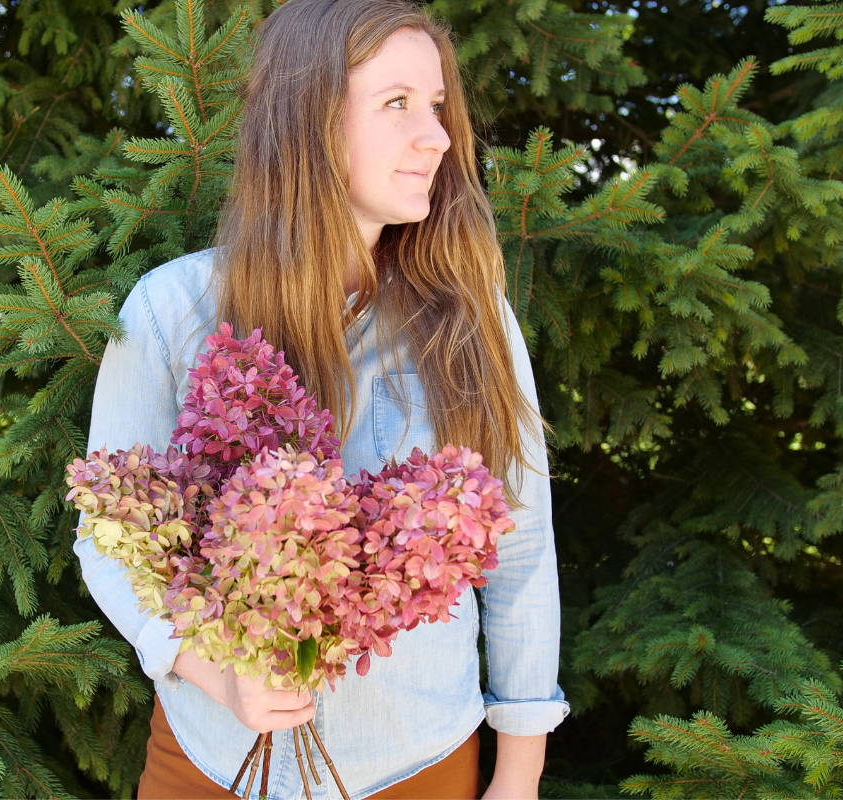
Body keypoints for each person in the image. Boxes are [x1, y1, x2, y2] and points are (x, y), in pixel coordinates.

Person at [74, 0, 569, 797]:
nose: (438, 137)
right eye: (397, 104)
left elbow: (520, 551)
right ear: (308, 122)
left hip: (420, 764)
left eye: (437, 107)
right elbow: (107, 538)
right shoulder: (170, 311)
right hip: (212, 764)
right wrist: (213, 673)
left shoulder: (471, 317)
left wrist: (519, 775)